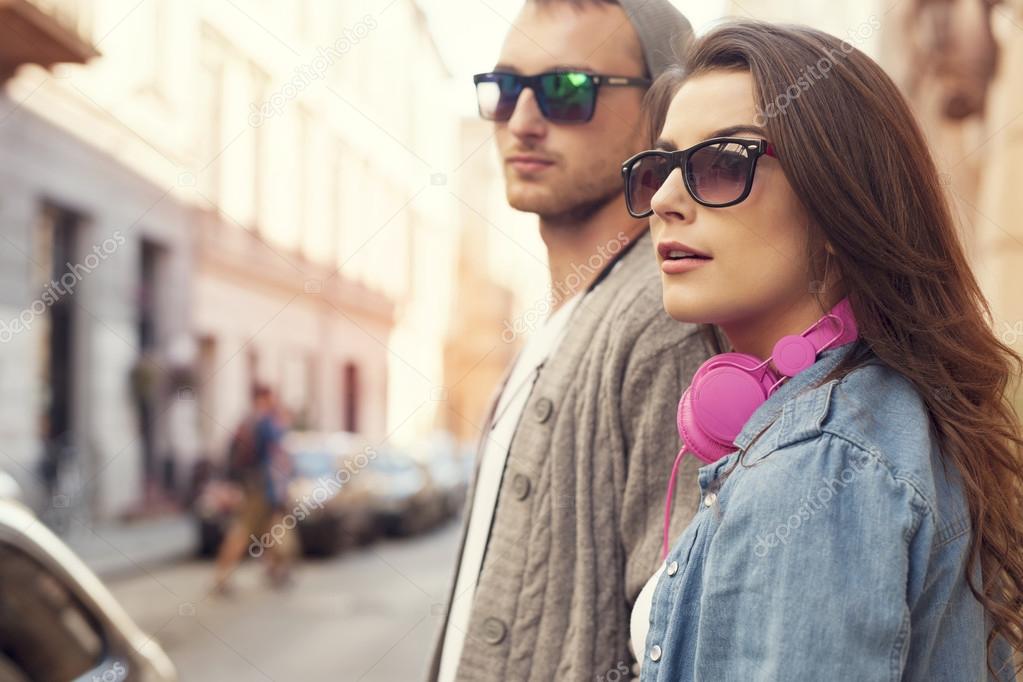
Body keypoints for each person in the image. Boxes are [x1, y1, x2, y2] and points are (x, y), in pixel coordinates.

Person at [623, 20, 1023, 680]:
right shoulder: (885, 416)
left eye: (722, 163)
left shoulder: (815, 464)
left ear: (838, 204)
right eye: (659, 167)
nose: (664, 199)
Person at [426, 1, 710, 680]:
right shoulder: (562, 318)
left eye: (566, 91)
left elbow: (678, 645)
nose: (522, 121)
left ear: (661, 112)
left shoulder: (659, 323)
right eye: (505, 90)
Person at [212, 384, 295, 593]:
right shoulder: (264, 422)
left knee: (271, 531)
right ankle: (222, 577)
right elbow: (276, 448)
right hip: (260, 490)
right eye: (271, 398)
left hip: (257, 488)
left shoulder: (248, 421)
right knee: (244, 532)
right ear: (265, 398)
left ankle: (275, 569)